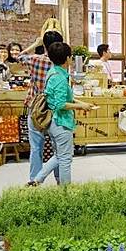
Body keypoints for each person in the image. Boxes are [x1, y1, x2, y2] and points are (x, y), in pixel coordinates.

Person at [29, 42, 95, 186]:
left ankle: (37, 180)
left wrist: (81, 103)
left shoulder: (53, 72)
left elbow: (61, 98)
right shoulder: (59, 78)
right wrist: (81, 106)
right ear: (67, 58)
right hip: (61, 122)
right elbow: (60, 104)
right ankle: (65, 191)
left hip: (53, 122)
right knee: (65, 158)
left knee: (59, 155)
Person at [19, 30, 64, 183]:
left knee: (36, 147)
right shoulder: (61, 64)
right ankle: (60, 180)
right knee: (58, 149)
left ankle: (34, 180)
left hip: (36, 108)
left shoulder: (34, 59)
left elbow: (18, 57)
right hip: (54, 109)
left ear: (44, 44)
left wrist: (35, 44)